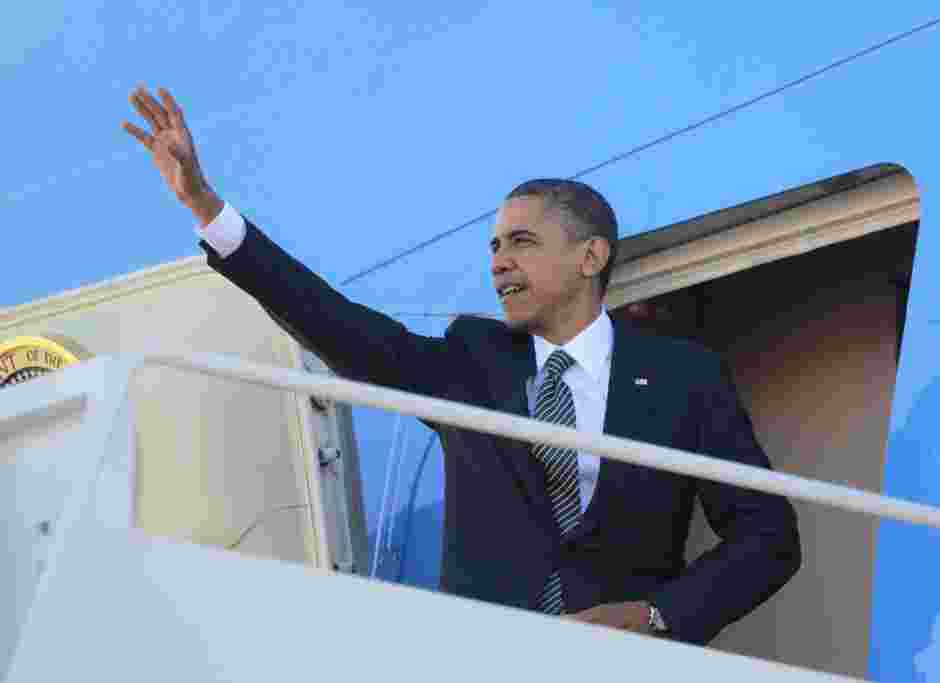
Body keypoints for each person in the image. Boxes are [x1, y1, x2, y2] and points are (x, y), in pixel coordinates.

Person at [123, 86, 801, 645]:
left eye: (522, 242)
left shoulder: (684, 376)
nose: (498, 261)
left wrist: (657, 614)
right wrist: (208, 209)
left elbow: (769, 536)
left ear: (591, 257)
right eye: (494, 246)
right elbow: (339, 324)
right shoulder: (471, 361)